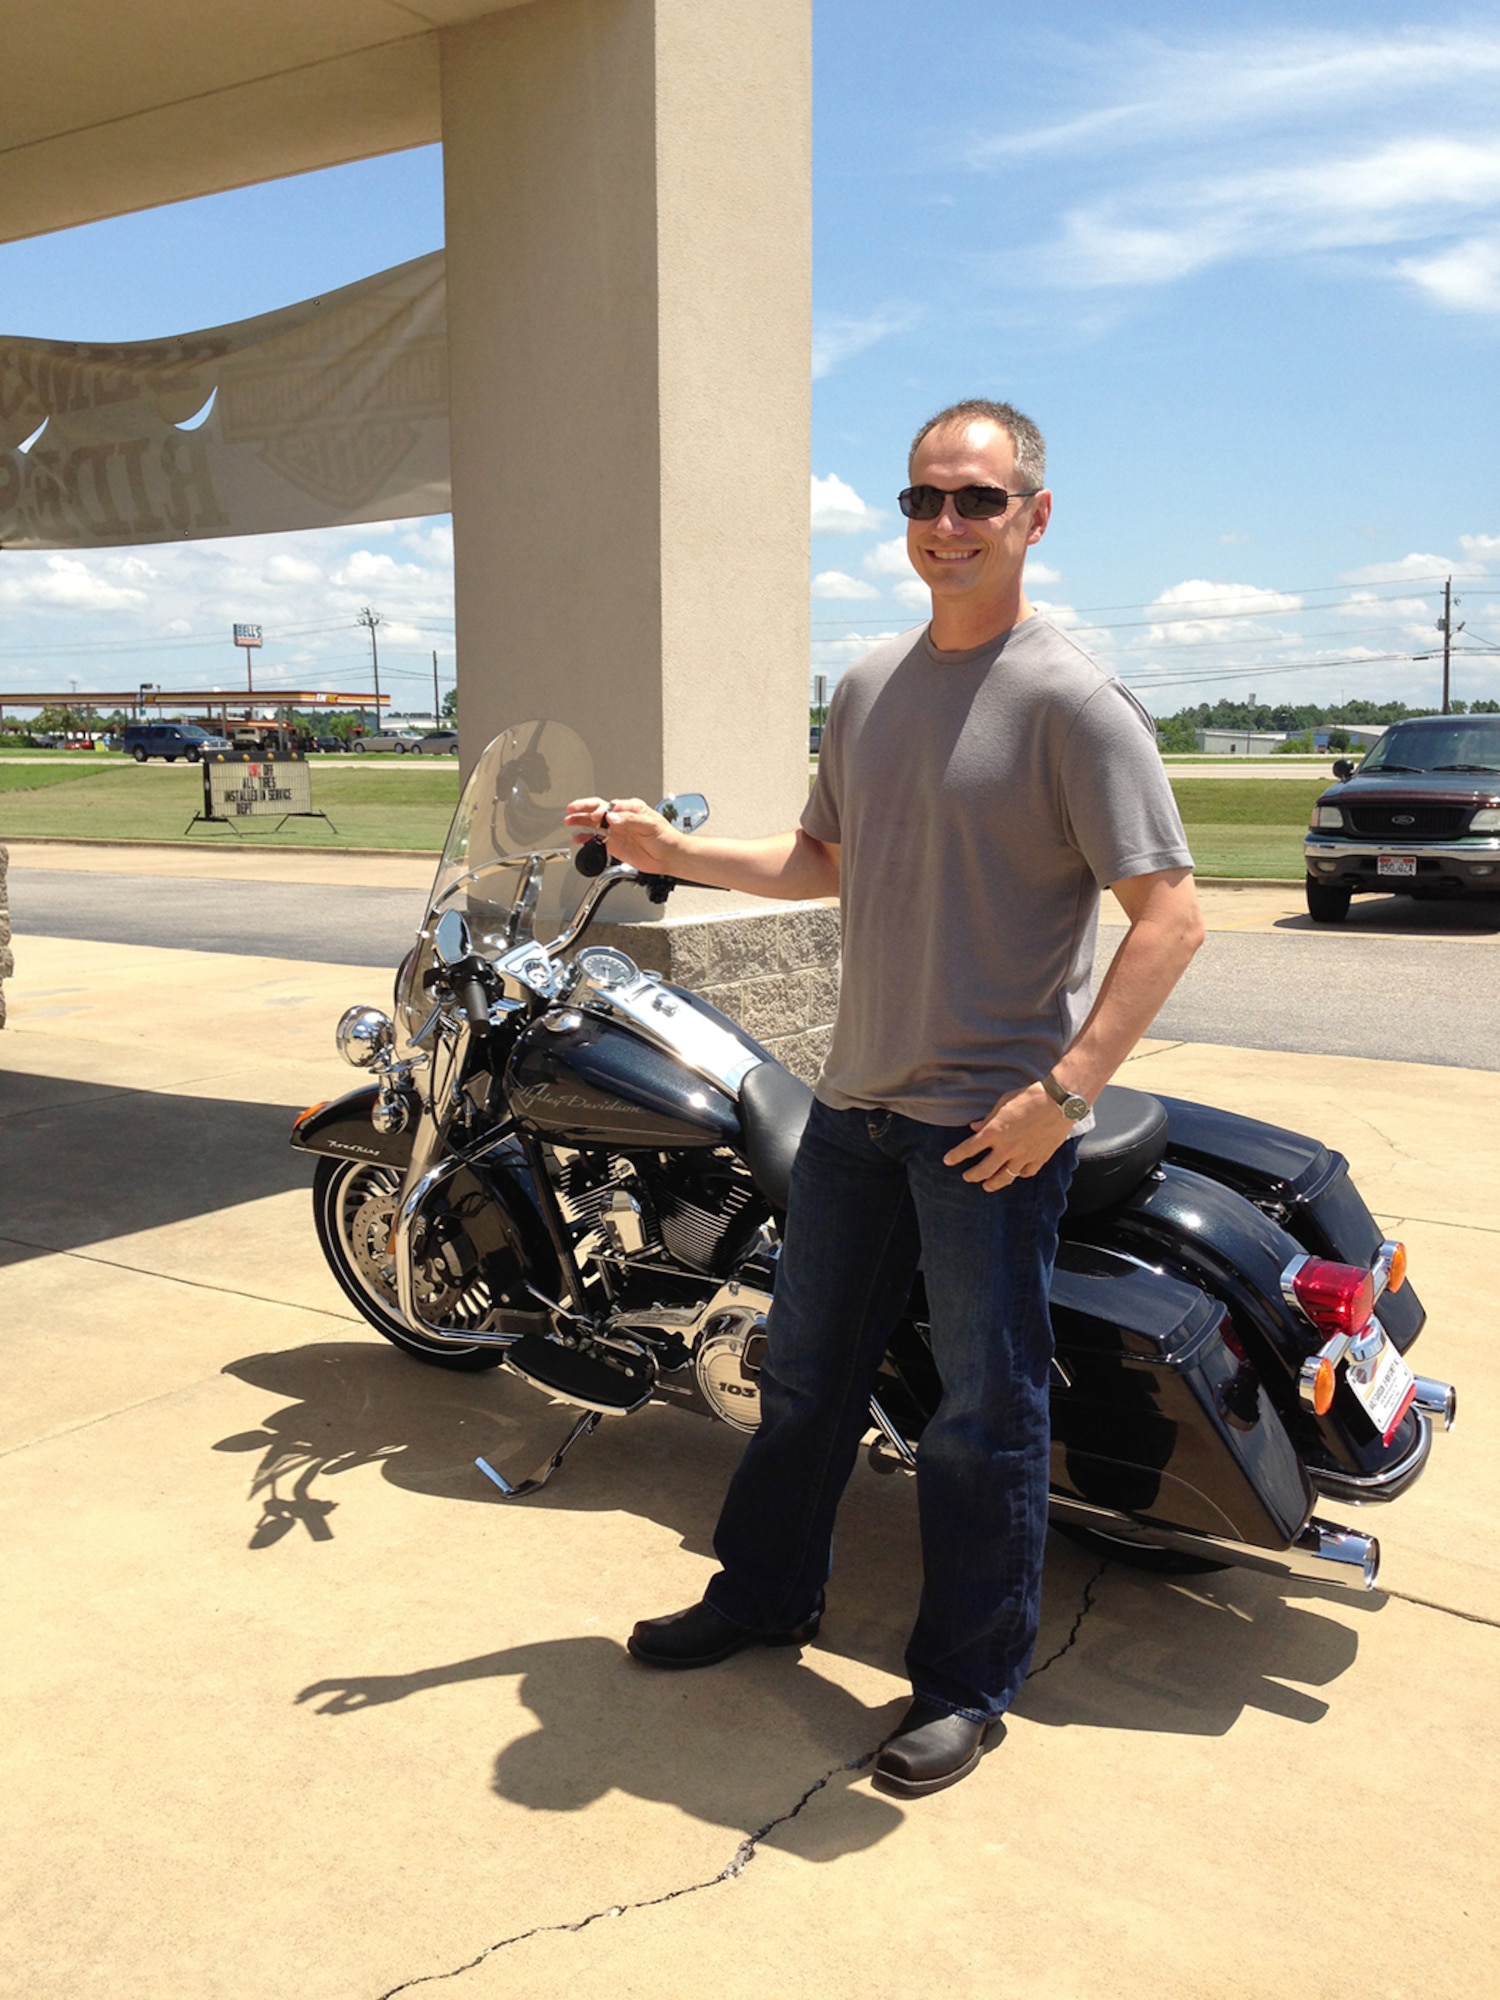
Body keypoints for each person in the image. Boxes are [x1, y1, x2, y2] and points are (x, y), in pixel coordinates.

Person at [565, 398, 1202, 1797]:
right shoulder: (867, 686)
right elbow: (818, 863)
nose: (947, 527)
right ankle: (763, 1596)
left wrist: (1063, 1091)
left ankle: (967, 1687)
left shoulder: (1073, 702)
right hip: (855, 1109)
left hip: (989, 1130)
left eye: (976, 500)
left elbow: (1169, 917)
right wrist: (668, 846)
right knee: (803, 1384)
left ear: (1035, 515)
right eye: (924, 501)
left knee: (984, 1416)